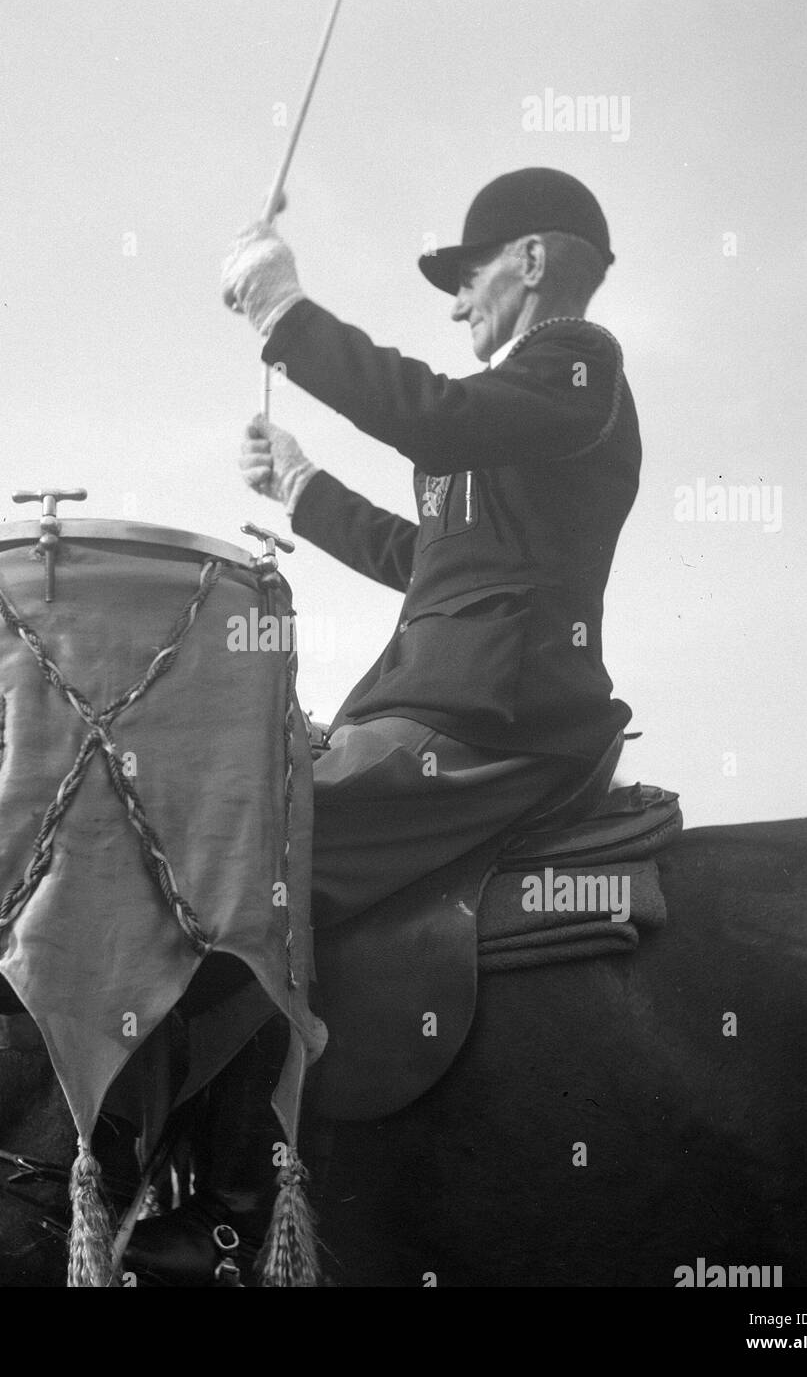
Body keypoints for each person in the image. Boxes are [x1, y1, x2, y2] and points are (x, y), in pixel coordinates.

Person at [125, 167, 640, 1285]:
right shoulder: (521, 413)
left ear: (534, 262)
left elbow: (436, 412)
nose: (457, 303)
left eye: (468, 276)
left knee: (238, 867)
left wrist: (287, 318)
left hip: (494, 723)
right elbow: (431, 566)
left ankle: (235, 1209)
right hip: (430, 704)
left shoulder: (577, 362)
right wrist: (305, 490)